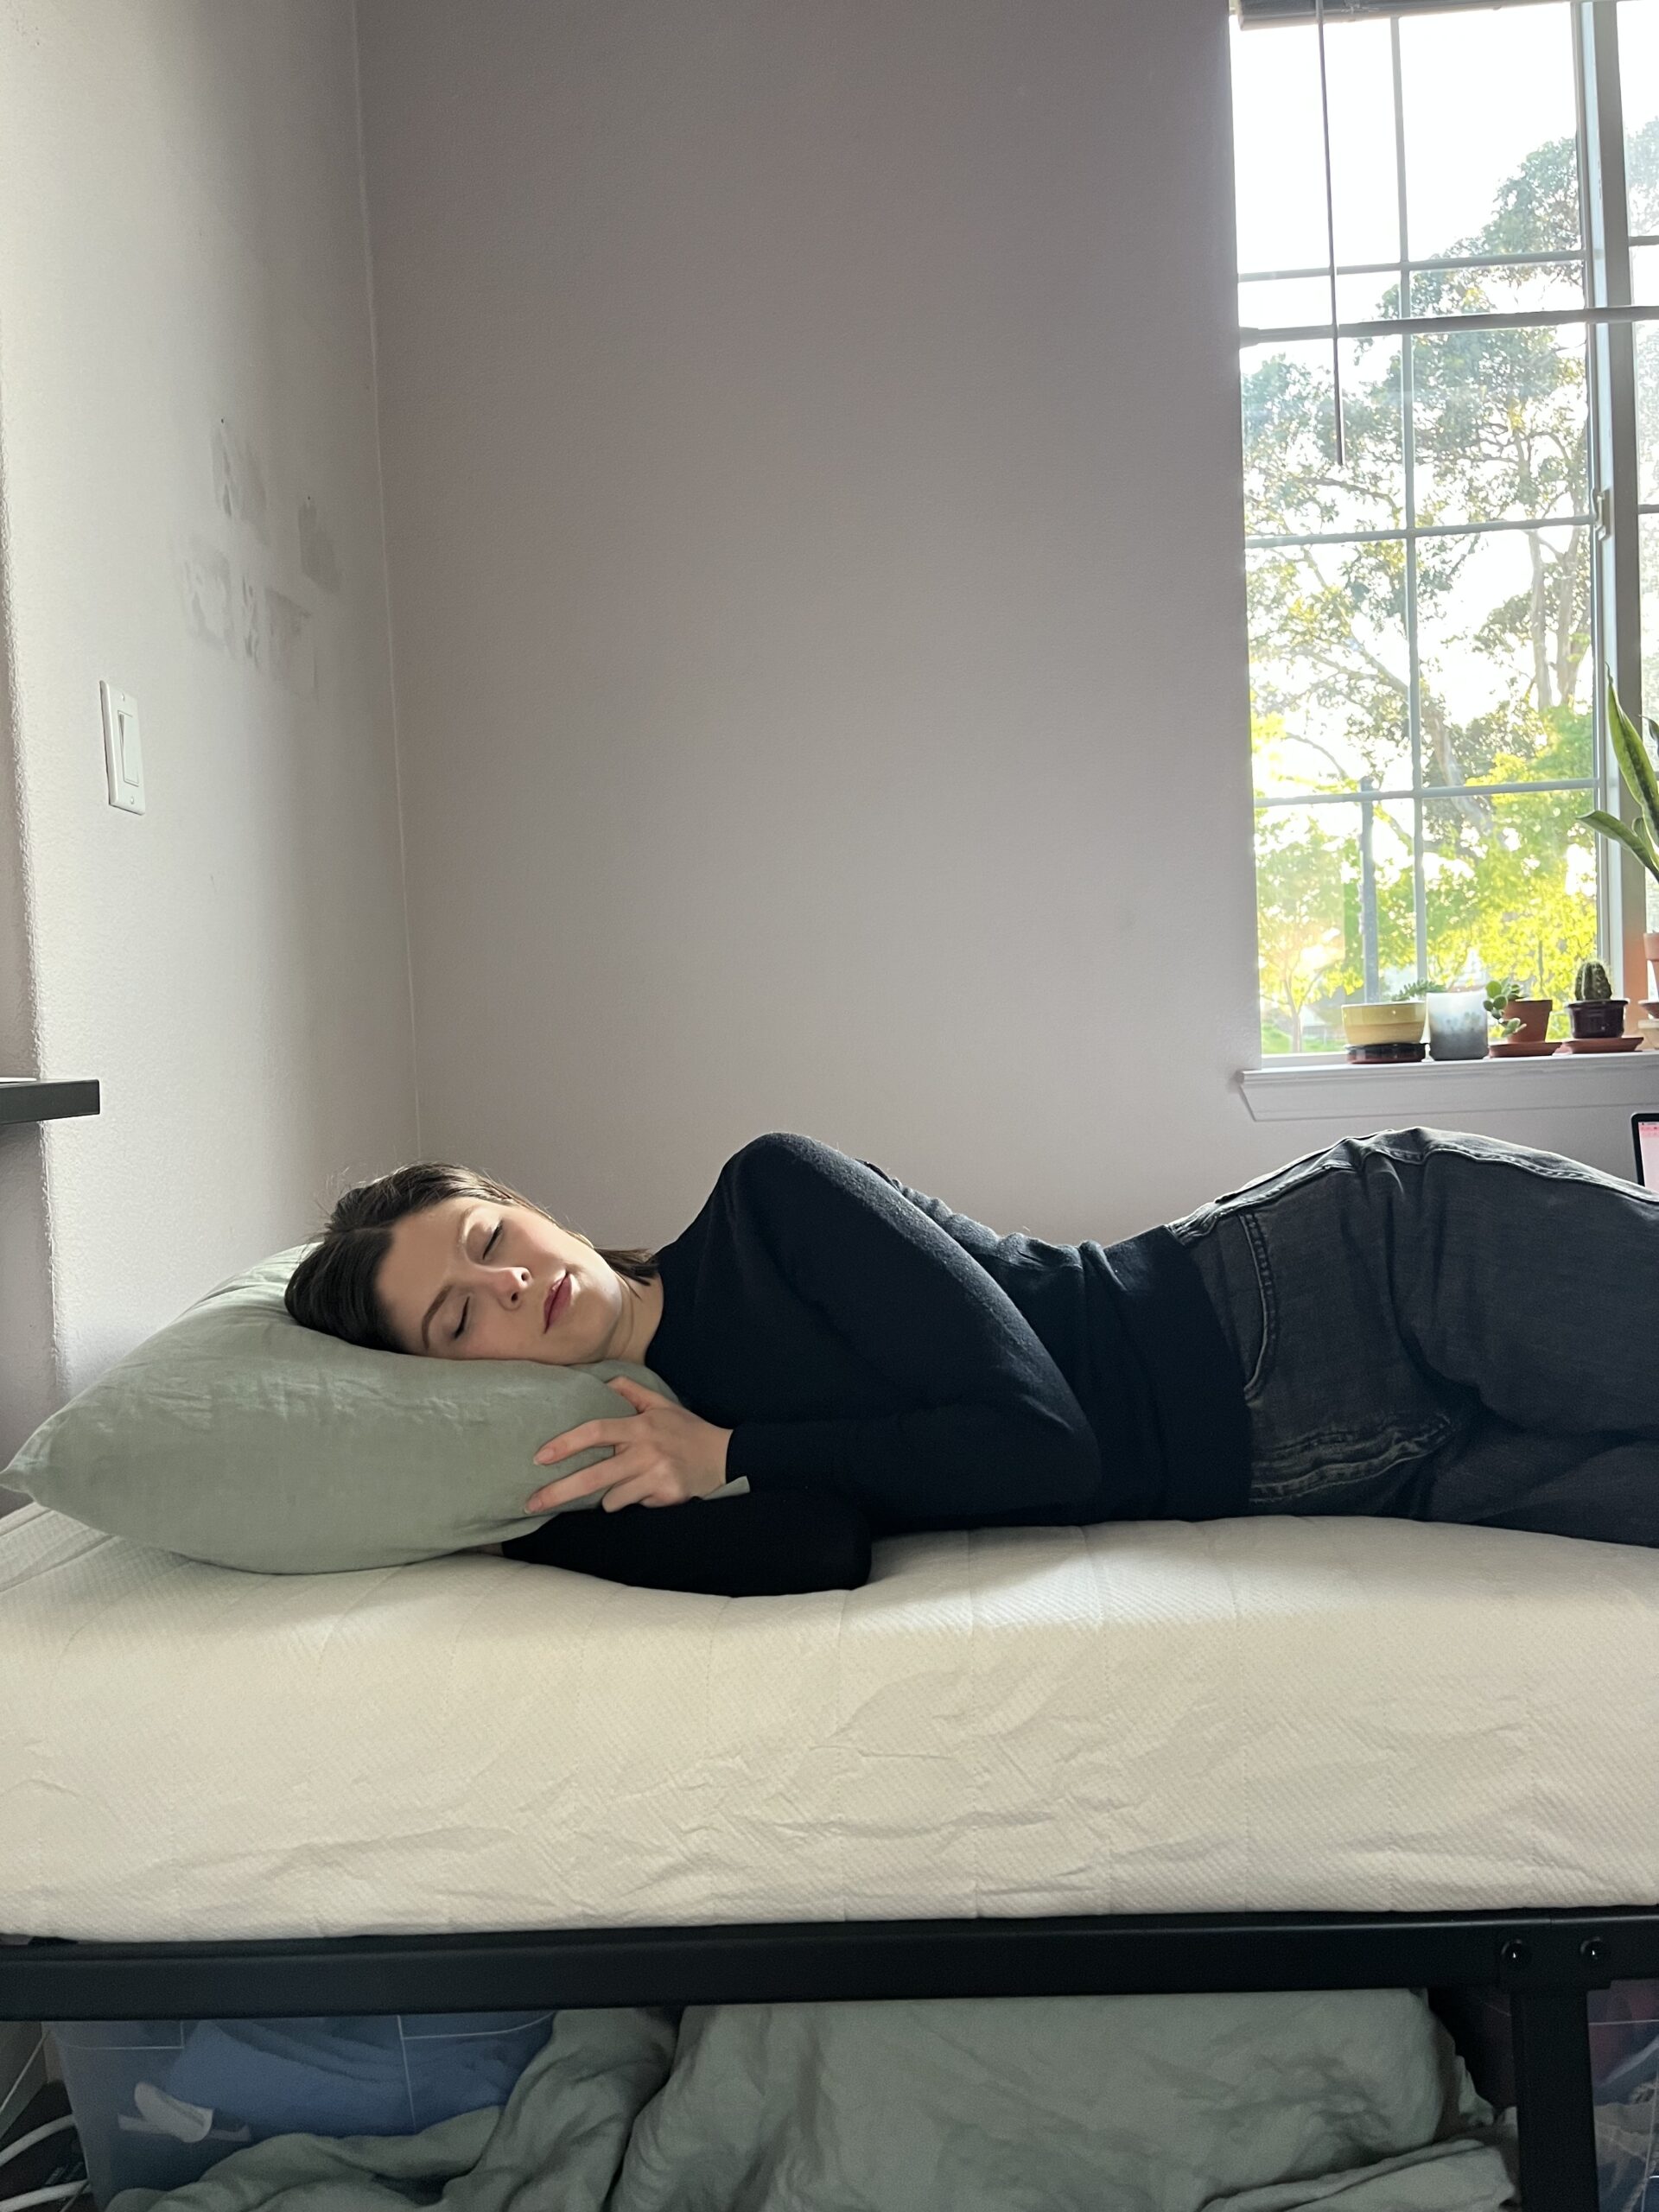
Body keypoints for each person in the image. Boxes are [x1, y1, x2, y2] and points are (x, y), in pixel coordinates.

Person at [283, 1125, 1659, 1597]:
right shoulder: (658, 1440)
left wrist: (732, 1458)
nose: (510, 1283)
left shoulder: (770, 1199)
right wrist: (508, 1529)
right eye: (460, 1321)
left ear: (539, 1208)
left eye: (489, 1235)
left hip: (1352, 1279)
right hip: (1340, 1479)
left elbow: (1037, 1442)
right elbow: (819, 1547)